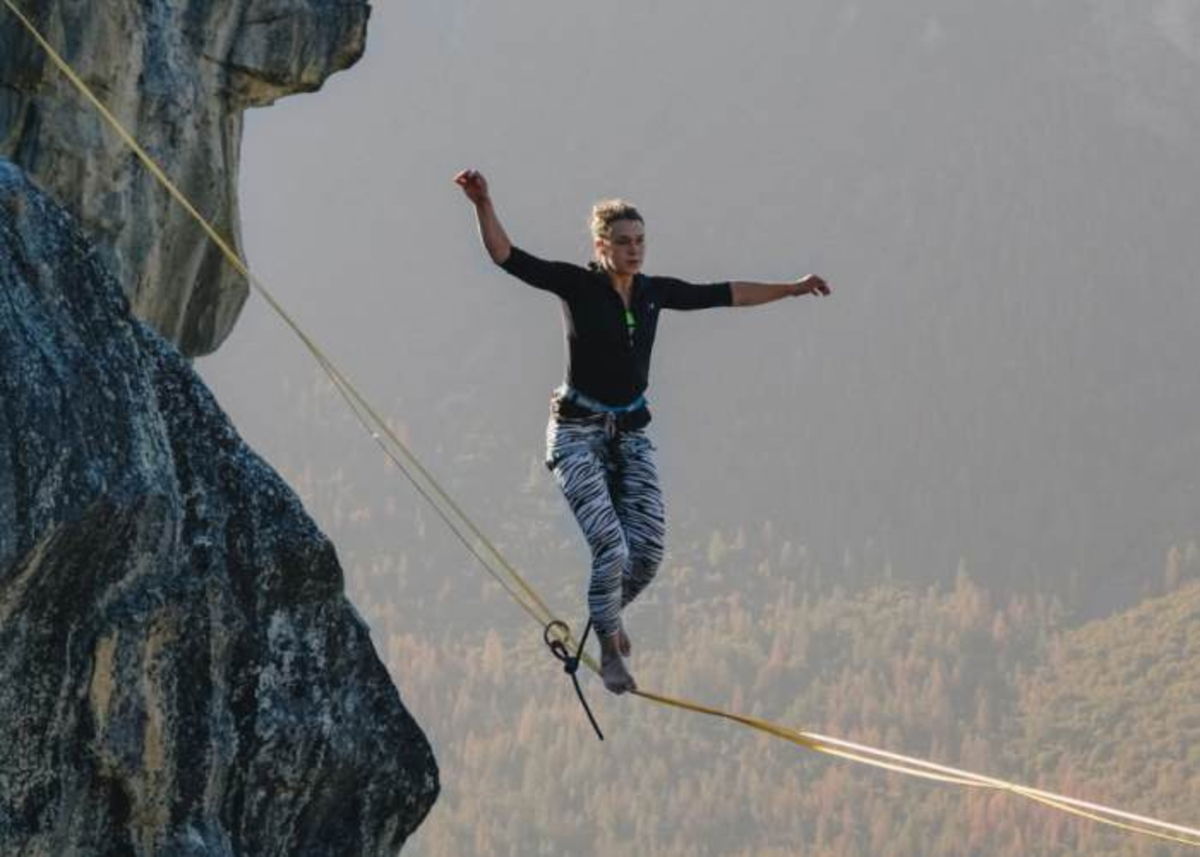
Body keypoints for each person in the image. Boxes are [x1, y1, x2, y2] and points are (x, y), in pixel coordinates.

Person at [455, 169, 831, 694]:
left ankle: (608, 614)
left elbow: (726, 294)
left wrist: (791, 289)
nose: (634, 251)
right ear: (601, 246)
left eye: (639, 241)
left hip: (629, 431)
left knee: (648, 554)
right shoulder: (578, 286)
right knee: (611, 546)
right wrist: (483, 203)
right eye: (623, 242)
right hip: (577, 432)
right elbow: (507, 257)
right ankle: (609, 650)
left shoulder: (653, 292)